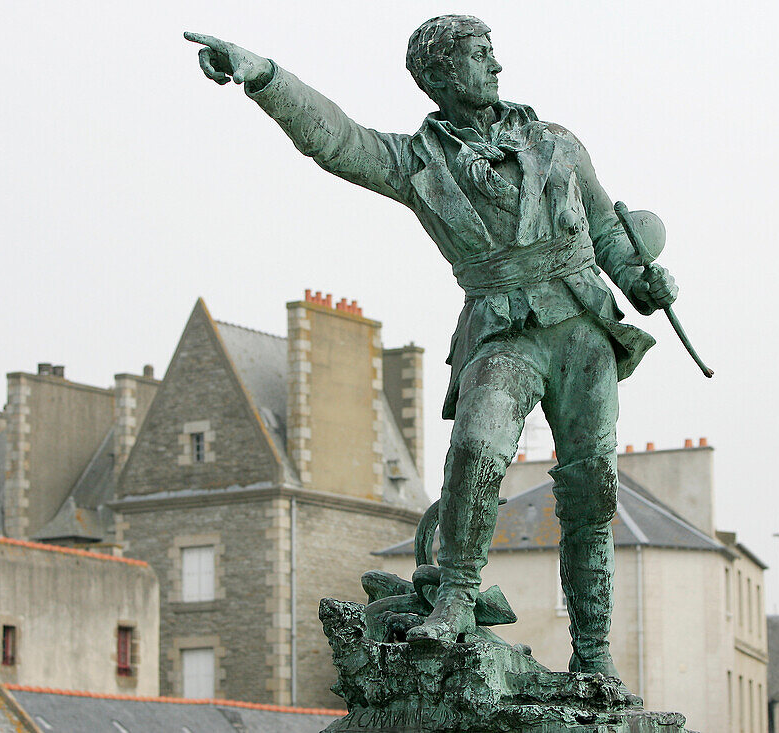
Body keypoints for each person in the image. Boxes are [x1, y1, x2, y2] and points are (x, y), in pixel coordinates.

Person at [185, 15, 677, 685]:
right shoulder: (420, 162)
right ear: (440, 76)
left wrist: (646, 283)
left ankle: (593, 653)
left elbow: (611, 237)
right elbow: (337, 140)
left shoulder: (559, 144)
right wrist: (265, 76)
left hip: (581, 326)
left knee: (592, 488)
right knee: (477, 445)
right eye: (480, 57)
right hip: (501, 325)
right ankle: (454, 597)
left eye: (494, 53)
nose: (496, 68)